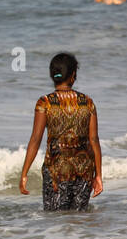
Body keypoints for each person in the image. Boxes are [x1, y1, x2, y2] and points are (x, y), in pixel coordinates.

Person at [18, 53, 103, 211]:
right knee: (79, 220)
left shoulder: (45, 102)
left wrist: (24, 173)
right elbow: (94, 140)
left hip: (56, 172)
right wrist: (98, 175)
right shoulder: (88, 102)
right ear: (73, 76)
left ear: (52, 75)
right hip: (84, 171)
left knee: (55, 221)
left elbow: (36, 139)